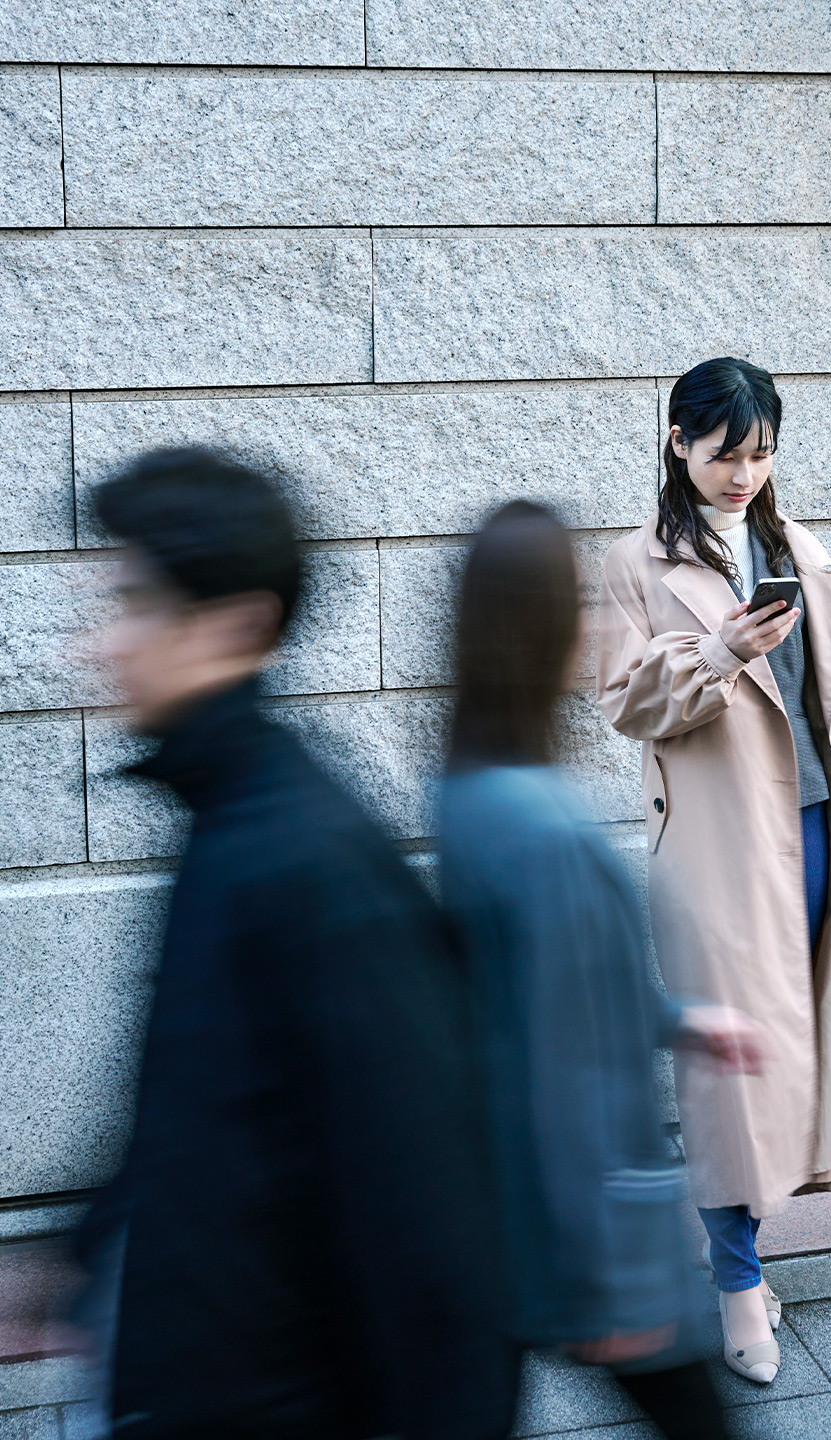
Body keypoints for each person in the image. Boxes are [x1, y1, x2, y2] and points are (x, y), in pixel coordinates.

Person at [73, 449, 505, 1440]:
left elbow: (429, 1226)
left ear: (238, 626)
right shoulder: (226, 815)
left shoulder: (306, 861)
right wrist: (91, 1249)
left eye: (134, 604)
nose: (99, 645)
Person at [595, 357, 831, 1384]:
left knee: (821, 1038)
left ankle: (747, 1241)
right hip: (721, 849)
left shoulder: (800, 547)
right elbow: (624, 704)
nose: (743, 474)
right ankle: (739, 1281)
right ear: (677, 443)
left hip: (829, 827)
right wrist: (719, 653)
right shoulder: (635, 562)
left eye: (761, 454)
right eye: (723, 454)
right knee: (730, 1068)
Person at [440, 501, 765, 1439]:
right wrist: (616, 1281)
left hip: (512, 1212)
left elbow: (540, 998)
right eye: (575, 602)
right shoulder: (540, 828)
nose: (590, 626)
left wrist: (681, 1020)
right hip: (596, 1241)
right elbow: (569, 1072)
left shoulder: (467, 795)